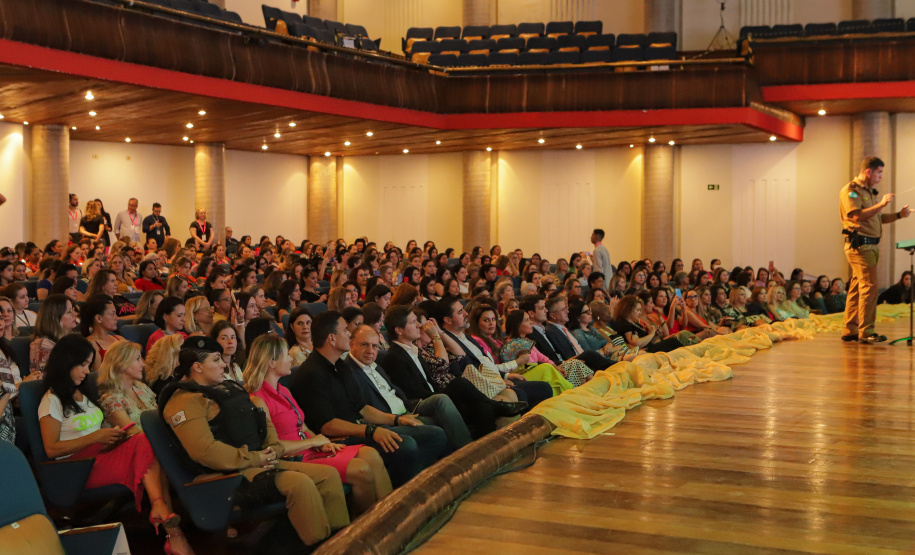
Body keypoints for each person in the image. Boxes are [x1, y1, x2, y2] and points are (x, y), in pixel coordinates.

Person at [160, 336, 350, 547]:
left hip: (256, 462)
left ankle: (340, 544)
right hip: (228, 476)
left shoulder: (227, 390)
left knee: (328, 475)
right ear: (197, 367)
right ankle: (321, 548)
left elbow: (261, 424)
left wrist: (271, 450)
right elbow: (204, 451)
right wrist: (255, 458)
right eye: (216, 360)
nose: (224, 364)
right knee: (300, 484)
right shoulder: (184, 401)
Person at [39, 335, 194, 555]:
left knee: (144, 442)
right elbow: (51, 449)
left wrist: (111, 438)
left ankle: (164, 515)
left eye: (88, 364)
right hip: (76, 469)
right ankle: (170, 526)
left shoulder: (80, 394)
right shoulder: (51, 400)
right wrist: (96, 437)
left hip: (100, 454)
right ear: (66, 362)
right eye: (82, 364)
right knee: (144, 442)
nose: (87, 370)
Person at [288, 310, 447, 488]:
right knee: (406, 444)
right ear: (332, 338)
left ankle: (411, 484)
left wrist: (397, 419)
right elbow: (327, 425)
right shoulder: (311, 373)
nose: (349, 334)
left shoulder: (340, 366)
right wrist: (371, 431)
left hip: (359, 429)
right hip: (339, 440)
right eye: (345, 331)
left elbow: (363, 408)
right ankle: (406, 490)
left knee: (435, 434)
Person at [244, 333, 391, 515]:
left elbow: (303, 427)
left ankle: (392, 514)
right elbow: (273, 447)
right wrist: (314, 442)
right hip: (293, 458)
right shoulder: (257, 399)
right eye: (285, 355)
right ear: (272, 362)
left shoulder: (283, 390)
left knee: (371, 454)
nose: (290, 358)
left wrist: (323, 443)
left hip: (311, 449)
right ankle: (369, 526)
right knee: (362, 470)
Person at [840, 156, 912, 343]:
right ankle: (867, 331)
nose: (881, 176)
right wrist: (880, 204)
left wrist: (898, 215)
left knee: (857, 288)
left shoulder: (869, 192)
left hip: (870, 245)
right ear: (868, 172)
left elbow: (876, 218)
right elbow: (856, 216)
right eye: (879, 172)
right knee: (870, 288)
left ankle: (850, 329)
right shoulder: (852, 191)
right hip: (861, 246)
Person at [30, 294, 78, 377]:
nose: (75, 314)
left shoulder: (73, 339)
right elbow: (41, 377)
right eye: (69, 312)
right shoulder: (43, 345)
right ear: (55, 317)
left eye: (73, 310)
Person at [81, 296, 126, 369]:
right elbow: (98, 376)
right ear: (99, 318)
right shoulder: (91, 344)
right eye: (112, 314)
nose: (116, 318)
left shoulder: (119, 338)